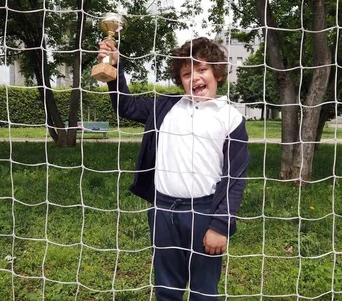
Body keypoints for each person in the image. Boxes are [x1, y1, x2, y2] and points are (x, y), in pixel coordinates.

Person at [98, 37, 250, 301]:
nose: (195, 78)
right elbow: (126, 105)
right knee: (167, 289)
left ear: (217, 73)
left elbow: (235, 177)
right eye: (187, 73)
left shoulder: (231, 117)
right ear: (180, 80)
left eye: (202, 70)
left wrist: (221, 225)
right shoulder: (166, 107)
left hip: (204, 213)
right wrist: (114, 66)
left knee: (204, 291)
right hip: (163, 211)